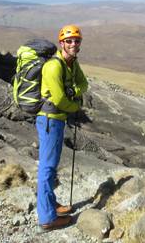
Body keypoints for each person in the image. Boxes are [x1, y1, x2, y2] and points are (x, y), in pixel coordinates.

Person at [36, 24, 88, 231]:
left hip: (57, 120)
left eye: (76, 40)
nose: (73, 43)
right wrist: (75, 105)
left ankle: (51, 205)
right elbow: (58, 98)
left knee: (51, 166)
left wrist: (74, 89)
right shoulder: (54, 66)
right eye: (69, 41)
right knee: (47, 168)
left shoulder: (71, 63)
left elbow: (84, 83)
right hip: (49, 120)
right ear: (61, 43)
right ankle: (47, 219)